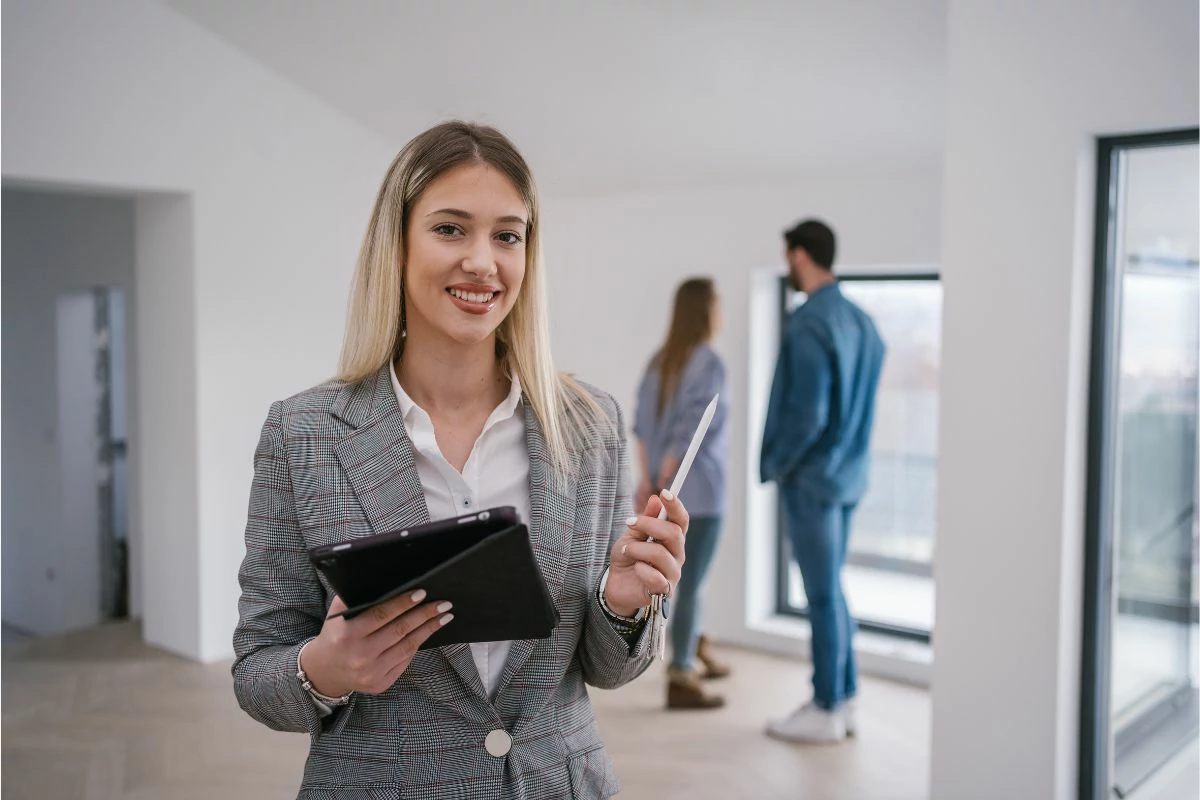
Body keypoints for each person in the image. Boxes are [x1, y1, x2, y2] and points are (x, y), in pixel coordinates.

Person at [232, 121, 690, 799]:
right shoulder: (303, 433)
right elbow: (257, 673)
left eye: (507, 235)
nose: (484, 260)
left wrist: (622, 602)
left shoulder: (590, 425)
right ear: (397, 245)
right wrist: (329, 667)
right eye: (450, 229)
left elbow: (603, 670)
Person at [760, 219, 885, 744]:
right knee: (832, 589)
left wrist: (780, 463)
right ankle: (845, 696)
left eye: (789, 256)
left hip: (812, 479)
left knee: (821, 594)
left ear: (800, 256)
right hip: (849, 477)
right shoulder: (863, 323)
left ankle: (826, 705)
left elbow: (807, 414)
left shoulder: (810, 322)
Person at [632, 277, 731, 710]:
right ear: (706, 310)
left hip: (657, 487)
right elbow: (692, 430)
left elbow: (641, 428)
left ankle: (690, 648)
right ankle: (682, 671)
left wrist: (650, 480)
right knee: (690, 583)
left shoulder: (660, 360)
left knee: (675, 581)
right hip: (700, 493)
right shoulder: (708, 362)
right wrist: (669, 479)